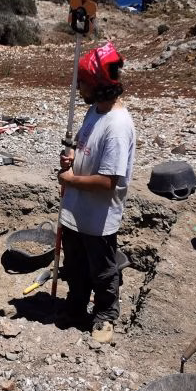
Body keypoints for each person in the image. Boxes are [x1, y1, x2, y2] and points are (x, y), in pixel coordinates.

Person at [58, 42, 136, 343]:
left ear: (100, 84)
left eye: (86, 84)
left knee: (102, 271)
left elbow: (108, 182)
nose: (81, 91)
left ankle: (105, 314)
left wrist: (70, 178)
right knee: (75, 265)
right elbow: (82, 146)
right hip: (76, 209)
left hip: (98, 217)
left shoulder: (117, 126)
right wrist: (72, 160)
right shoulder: (95, 111)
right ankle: (75, 307)